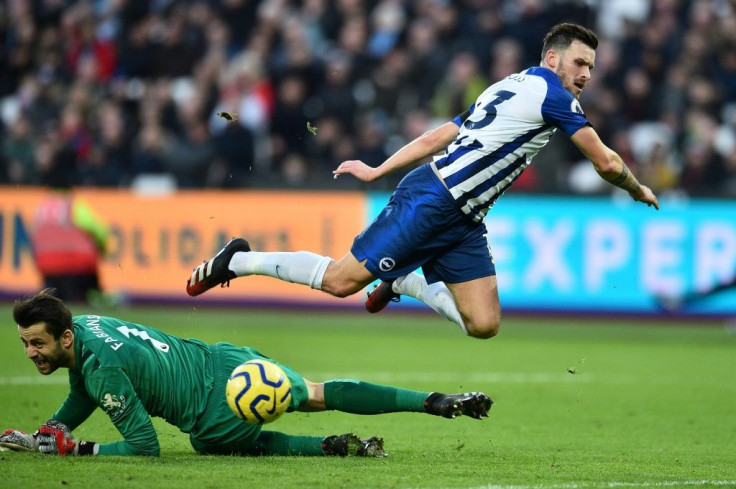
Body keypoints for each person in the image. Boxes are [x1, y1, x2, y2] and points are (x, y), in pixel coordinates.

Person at [185, 23, 660, 339]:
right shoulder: (554, 97)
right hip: (432, 200)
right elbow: (605, 163)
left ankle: (403, 283)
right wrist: (636, 188)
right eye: (580, 63)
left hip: (463, 217)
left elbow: (444, 133)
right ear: (554, 59)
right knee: (338, 281)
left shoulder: (509, 84)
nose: (587, 75)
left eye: (592, 68)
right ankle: (239, 260)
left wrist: (378, 169)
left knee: (484, 325)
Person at [0, 289, 491, 457]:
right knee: (316, 393)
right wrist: (57, 427)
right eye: (24, 343)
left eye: (37, 343)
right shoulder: (85, 327)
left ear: (64, 339)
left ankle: (327, 448)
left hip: (214, 411)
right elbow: (82, 387)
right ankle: (432, 400)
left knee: (208, 442)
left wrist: (81, 448)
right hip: (230, 360)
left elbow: (145, 447)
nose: (30, 352)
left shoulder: (100, 368)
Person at [30, 188, 110, 304]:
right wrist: (103, 250)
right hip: (76, 263)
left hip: (47, 265)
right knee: (80, 303)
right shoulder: (73, 205)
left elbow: (35, 238)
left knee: (52, 303)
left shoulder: (41, 208)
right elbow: (97, 230)